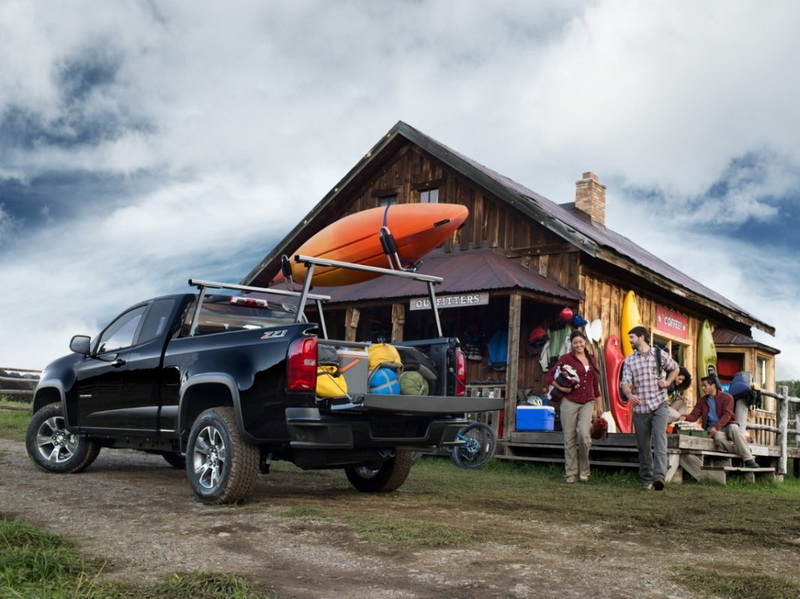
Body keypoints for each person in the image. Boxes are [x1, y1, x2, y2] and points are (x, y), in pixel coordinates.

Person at [620, 327, 680, 491]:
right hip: (640, 408)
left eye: (632, 337)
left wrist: (667, 383)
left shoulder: (658, 354)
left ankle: (659, 477)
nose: (630, 340)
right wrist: (629, 394)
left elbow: (675, 368)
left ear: (641, 337)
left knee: (660, 438)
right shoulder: (630, 360)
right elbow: (624, 382)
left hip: (659, 403)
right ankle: (646, 479)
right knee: (643, 445)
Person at [545, 330, 603, 484]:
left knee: (584, 435)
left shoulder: (592, 359)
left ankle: (584, 471)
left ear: (585, 342)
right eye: (575, 342)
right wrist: (562, 388)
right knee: (569, 438)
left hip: (588, 402)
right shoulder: (565, 359)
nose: (578, 344)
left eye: (580, 342)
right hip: (569, 402)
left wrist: (599, 405)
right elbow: (549, 376)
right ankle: (571, 474)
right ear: (571, 344)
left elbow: (595, 384)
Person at [679, 375, 758, 468]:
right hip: (712, 430)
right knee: (718, 438)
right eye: (702, 386)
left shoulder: (727, 397)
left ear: (713, 386)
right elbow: (694, 416)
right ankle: (743, 451)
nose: (703, 388)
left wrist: (716, 427)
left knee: (734, 428)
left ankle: (749, 460)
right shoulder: (702, 401)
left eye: (705, 385)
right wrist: (684, 417)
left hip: (727, 425)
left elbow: (727, 415)